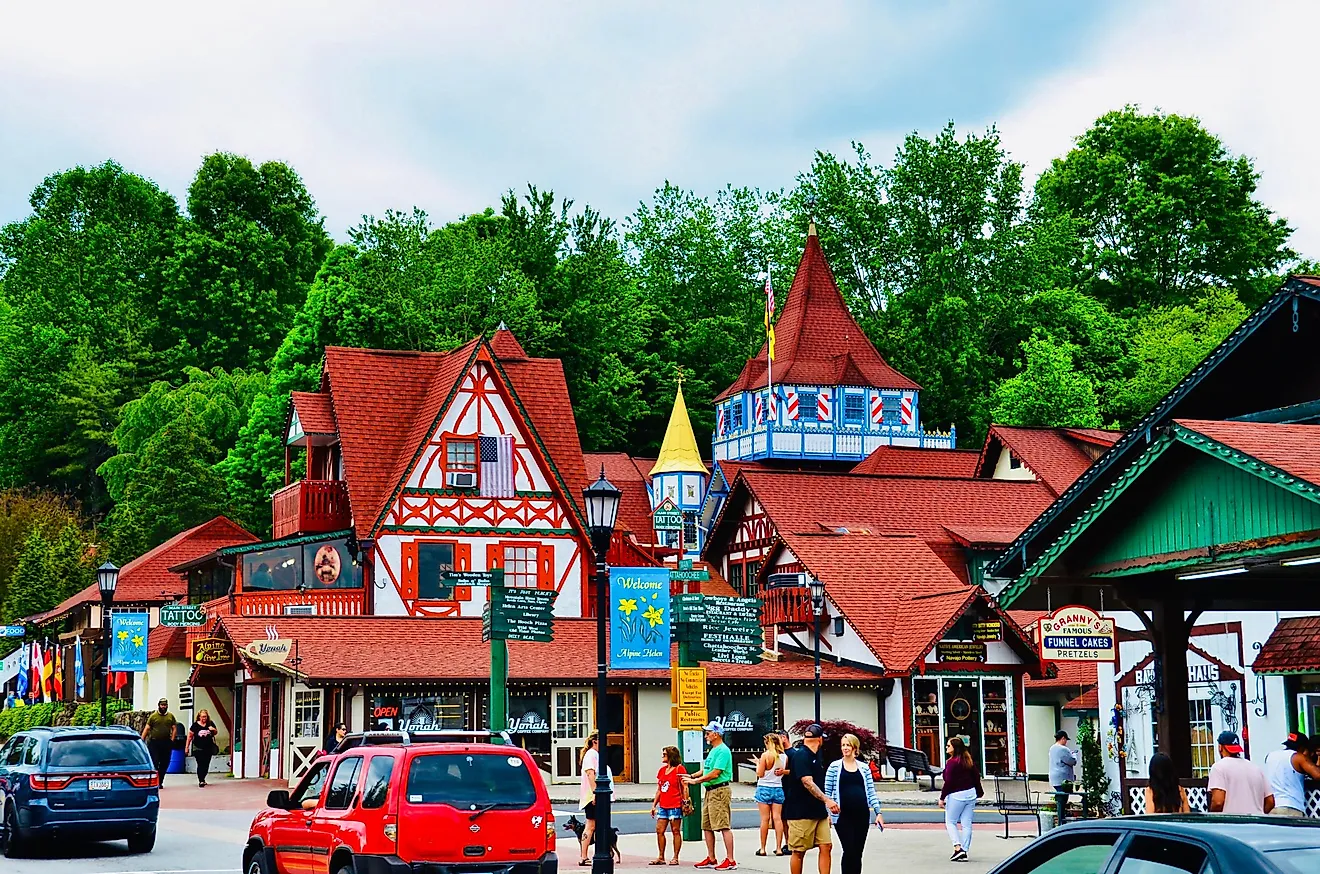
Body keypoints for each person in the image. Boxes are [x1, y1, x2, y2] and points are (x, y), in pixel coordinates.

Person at [781, 724, 837, 874]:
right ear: (819, 739)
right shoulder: (801, 756)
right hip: (800, 812)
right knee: (799, 851)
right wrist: (827, 800)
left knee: (826, 845)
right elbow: (808, 782)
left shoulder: (816, 756)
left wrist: (825, 808)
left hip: (818, 811)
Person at [824, 734, 883, 874]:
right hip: (842, 815)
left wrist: (878, 812)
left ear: (854, 747)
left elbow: (870, 791)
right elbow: (827, 792)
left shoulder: (863, 768)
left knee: (857, 852)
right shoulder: (834, 767)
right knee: (849, 850)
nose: (845, 748)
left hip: (861, 815)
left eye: (848, 745)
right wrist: (827, 814)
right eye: (843, 745)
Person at [681, 722, 736, 870]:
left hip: (719, 791)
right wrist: (691, 775)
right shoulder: (713, 750)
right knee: (706, 826)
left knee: (723, 825)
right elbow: (706, 769)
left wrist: (695, 781)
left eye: (708, 732)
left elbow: (715, 773)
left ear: (716, 734)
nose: (706, 735)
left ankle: (730, 860)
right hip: (710, 791)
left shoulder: (723, 751)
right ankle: (711, 858)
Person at [938, 737, 983, 863]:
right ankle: (964, 850)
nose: (947, 748)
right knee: (966, 824)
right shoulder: (968, 760)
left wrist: (942, 798)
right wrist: (979, 792)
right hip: (971, 793)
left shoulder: (952, 763)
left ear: (954, 748)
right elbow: (976, 777)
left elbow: (949, 782)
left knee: (950, 822)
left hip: (957, 795)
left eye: (948, 746)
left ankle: (958, 848)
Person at [1207, 730, 1274, 814]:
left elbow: (1218, 802)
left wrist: (1213, 818)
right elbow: (1270, 801)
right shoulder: (1255, 768)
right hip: (1256, 822)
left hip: (1232, 823)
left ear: (1220, 747)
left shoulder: (1218, 767)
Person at [578, 731, 613, 867]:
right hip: (592, 796)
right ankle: (584, 856)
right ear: (595, 741)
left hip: (596, 795)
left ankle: (594, 853)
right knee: (591, 825)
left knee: (595, 825)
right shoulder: (591, 755)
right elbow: (590, 774)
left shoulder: (596, 755)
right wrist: (595, 793)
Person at [1264, 732, 1320, 816]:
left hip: (1273, 807)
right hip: (1291, 807)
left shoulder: (1270, 756)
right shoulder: (1297, 757)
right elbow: (1317, 775)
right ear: (1303, 748)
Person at [651, 745, 688, 865]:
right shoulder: (662, 770)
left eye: (665, 754)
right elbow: (660, 789)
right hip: (663, 805)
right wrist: (654, 805)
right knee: (659, 830)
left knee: (675, 830)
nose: (662, 756)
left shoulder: (679, 769)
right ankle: (661, 856)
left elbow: (685, 786)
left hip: (675, 804)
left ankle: (675, 857)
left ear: (671, 756)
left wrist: (686, 802)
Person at [755, 732, 787, 857]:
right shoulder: (784, 757)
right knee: (777, 818)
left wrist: (758, 764)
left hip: (764, 787)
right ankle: (779, 848)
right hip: (778, 787)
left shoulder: (765, 756)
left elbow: (760, 773)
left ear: (769, 743)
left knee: (764, 819)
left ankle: (763, 848)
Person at [141, 697, 178, 786]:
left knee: (165, 763)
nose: (163, 707)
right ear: (159, 706)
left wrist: (172, 740)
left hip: (166, 742)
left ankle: (160, 781)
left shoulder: (170, 716)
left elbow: (174, 728)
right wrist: (141, 740)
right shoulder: (153, 716)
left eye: (165, 705)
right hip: (154, 743)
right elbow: (147, 728)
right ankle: (155, 781)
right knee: (155, 761)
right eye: (162, 705)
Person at [1049, 730, 1079, 823]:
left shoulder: (1052, 748)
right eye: (1066, 739)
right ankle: (1061, 819)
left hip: (1054, 777)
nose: (1066, 742)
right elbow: (1072, 761)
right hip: (1063, 778)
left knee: (1060, 797)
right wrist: (1074, 754)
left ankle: (1061, 818)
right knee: (1063, 799)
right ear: (1062, 738)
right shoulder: (1063, 749)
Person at [186, 709, 219, 788]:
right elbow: (190, 736)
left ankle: (203, 778)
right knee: (200, 764)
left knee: (206, 764)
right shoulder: (195, 725)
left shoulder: (210, 724)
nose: (204, 718)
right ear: (199, 717)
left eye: (205, 717)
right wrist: (187, 747)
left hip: (208, 748)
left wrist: (213, 729)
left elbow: (215, 732)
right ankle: (201, 780)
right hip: (198, 748)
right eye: (203, 717)